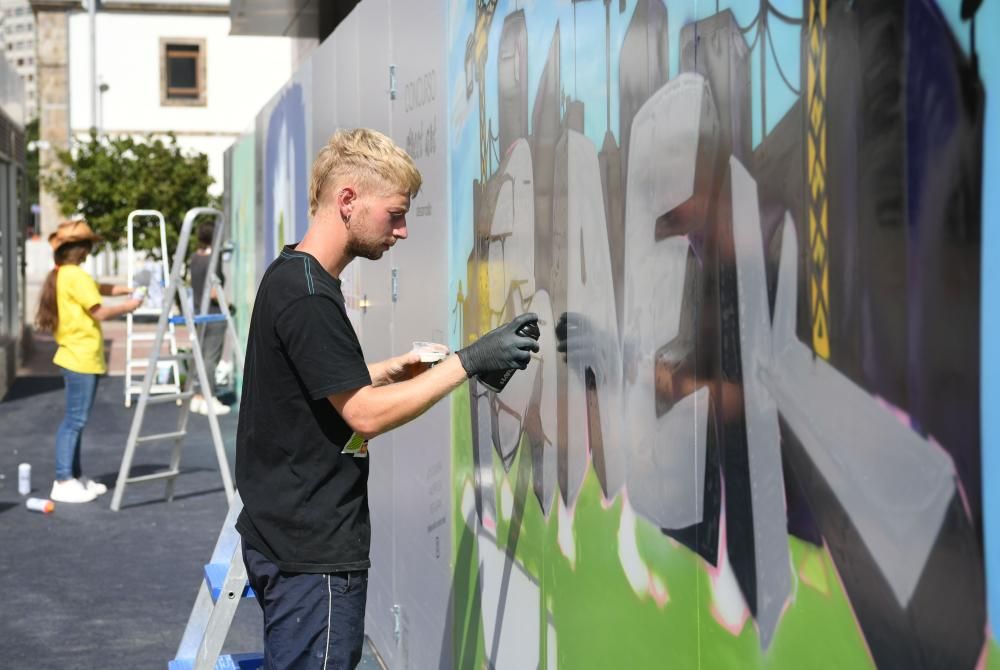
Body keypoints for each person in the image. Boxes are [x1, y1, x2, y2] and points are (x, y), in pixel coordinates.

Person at [235, 128, 539, 669]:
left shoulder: (292, 275)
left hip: (284, 536)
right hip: (313, 555)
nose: (401, 231)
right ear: (347, 200)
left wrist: (386, 370)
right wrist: (467, 362)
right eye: (395, 214)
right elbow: (361, 415)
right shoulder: (309, 298)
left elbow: (312, 385)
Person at [34, 220, 144, 503]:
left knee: (77, 420)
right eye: (88, 245)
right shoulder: (75, 276)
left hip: (78, 356)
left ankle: (74, 475)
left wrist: (126, 289)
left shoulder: (67, 274)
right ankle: (63, 479)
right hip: (79, 356)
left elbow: (100, 288)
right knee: (74, 420)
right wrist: (129, 307)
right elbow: (99, 312)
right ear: (80, 249)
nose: (90, 249)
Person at [187, 220, 230, 416]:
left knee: (200, 355)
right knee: (210, 358)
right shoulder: (214, 258)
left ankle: (197, 397)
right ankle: (209, 398)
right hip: (213, 314)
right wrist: (228, 305)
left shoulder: (195, 257)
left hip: (198, 313)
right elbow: (214, 291)